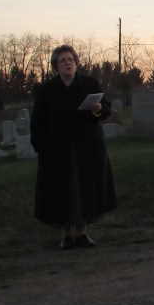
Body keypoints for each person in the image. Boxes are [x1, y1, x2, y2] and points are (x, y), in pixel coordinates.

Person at [30, 45, 117, 249]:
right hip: (58, 149)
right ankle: (67, 234)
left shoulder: (89, 84)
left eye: (70, 59)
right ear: (56, 66)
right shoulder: (47, 90)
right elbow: (38, 121)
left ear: (76, 63)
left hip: (87, 148)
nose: (67, 63)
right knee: (63, 191)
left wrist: (98, 109)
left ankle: (83, 232)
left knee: (85, 190)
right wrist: (41, 146)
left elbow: (105, 108)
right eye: (62, 60)